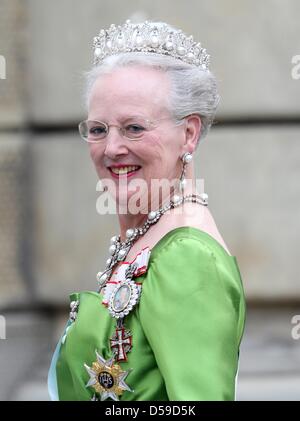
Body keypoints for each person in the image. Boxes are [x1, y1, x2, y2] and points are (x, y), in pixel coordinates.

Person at [48, 20, 246, 401]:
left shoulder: (188, 257)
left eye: (134, 127)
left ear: (188, 133)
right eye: (98, 129)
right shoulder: (147, 237)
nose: (112, 148)